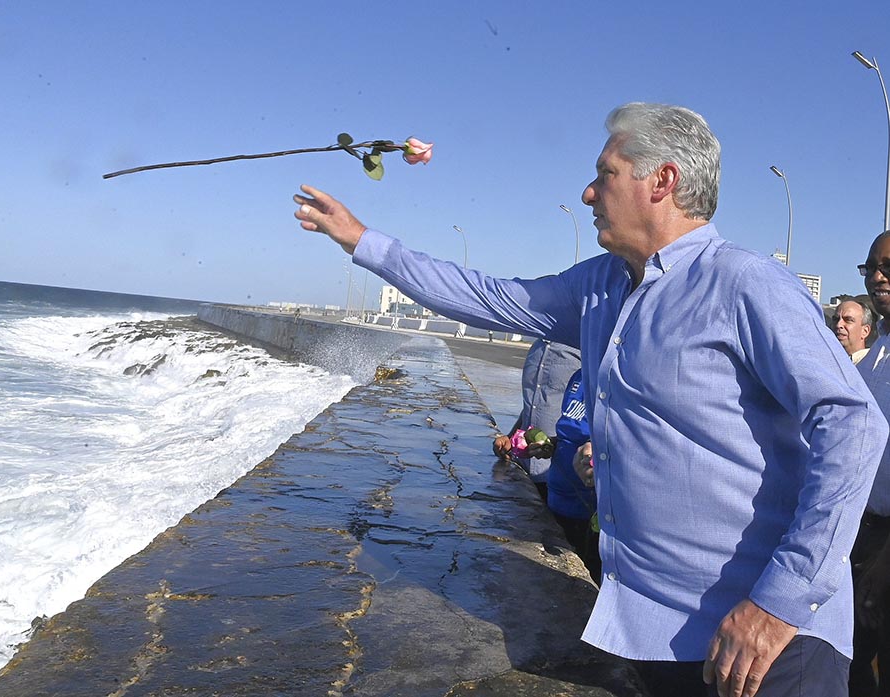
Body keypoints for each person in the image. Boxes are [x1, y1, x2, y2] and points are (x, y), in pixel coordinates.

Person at [294, 102, 888, 697]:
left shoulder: (745, 283)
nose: (587, 193)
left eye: (605, 174)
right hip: (651, 629)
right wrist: (360, 240)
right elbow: (485, 296)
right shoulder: (601, 283)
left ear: (663, 181)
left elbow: (853, 425)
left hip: (764, 640)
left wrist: (780, 602)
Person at [851, 232, 890, 696]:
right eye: (871, 268)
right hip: (863, 535)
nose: (878, 277)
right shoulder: (875, 352)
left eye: (888, 267)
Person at [492, 338, 581, 500]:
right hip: (523, 464)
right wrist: (511, 437)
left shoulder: (581, 349)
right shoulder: (537, 347)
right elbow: (533, 404)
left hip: (559, 472)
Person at [540, 367, 601, 584]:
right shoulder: (579, 375)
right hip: (555, 500)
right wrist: (550, 445)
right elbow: (570, 431)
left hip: (586, 514)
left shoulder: (623, 379)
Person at [833, 299, 874, 365]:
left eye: (848, 320)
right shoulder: (825, 363)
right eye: (835, 319)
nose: (838, 325)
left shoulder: (874, 365)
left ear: (865, 331)